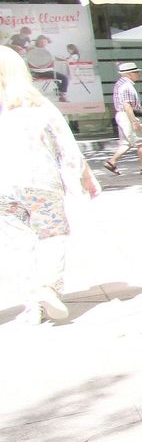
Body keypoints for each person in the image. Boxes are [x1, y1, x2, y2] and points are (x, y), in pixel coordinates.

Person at [0, 46, 99, 324]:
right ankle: (48, 285)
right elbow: (67, 146)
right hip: (40, 183)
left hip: (3, 188)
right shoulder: (38, 105)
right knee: (52, 235)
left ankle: (33, 306)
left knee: (17, 244)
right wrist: (84, 177)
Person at [104, 62, 142, 175]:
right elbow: (127, 105)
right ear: (128, 74)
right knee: (141, 142)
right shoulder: (126, 86)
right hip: (127, 116)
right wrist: (134, 121)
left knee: (126, 143)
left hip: (122, 115)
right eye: (135, 72)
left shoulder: (120, 84)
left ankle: (112, 162)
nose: (138, 74)